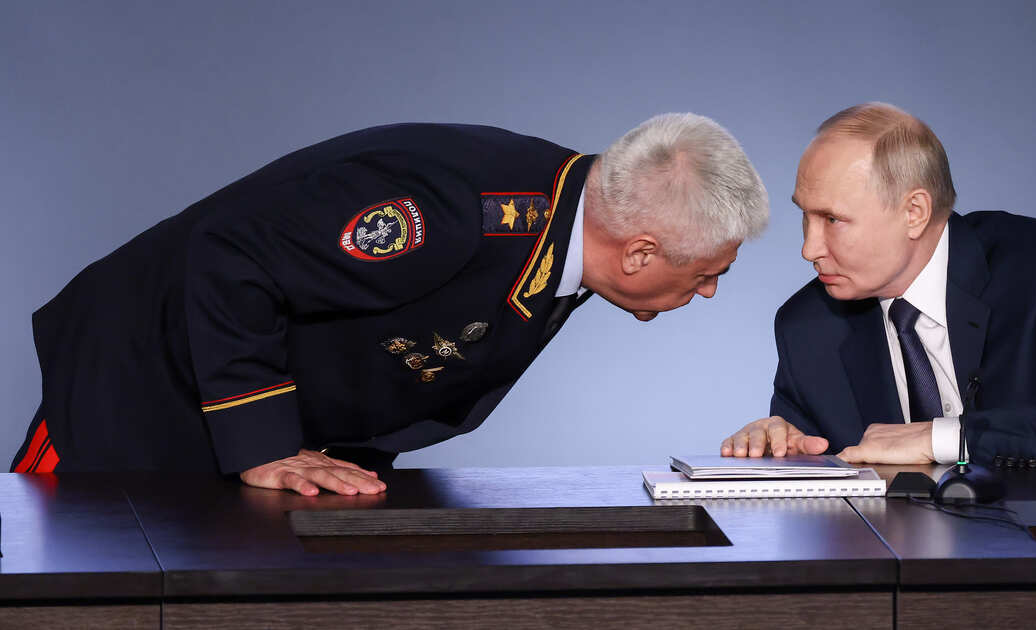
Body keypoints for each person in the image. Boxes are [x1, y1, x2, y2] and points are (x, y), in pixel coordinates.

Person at [11, 114, 769, 495]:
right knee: (61, 600)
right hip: (134, 389)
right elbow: (231, 256)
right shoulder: (456, 211)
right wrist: (261, 444)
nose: (707, 292)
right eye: (709, 273)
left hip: (252, 430)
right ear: (640, 252)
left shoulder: (568, 219)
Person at [721, 102, 1036, 468]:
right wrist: (779, 447)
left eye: (832, 219)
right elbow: (814, 477)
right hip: (906, 548)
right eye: (805, 215)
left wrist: (942, 439)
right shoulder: (806, 326)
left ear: (914, 212)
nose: (809, 248)